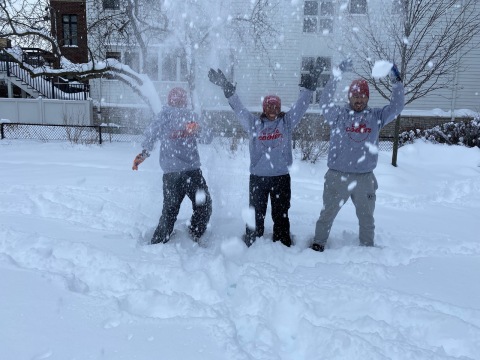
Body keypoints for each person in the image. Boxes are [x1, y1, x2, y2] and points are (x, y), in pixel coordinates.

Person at [208, 62, 322, 247]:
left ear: (279, 108)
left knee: (281, 212)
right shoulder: (254, 125)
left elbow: (301, 106)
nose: (272, 110)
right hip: (258, 177)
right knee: (255, 213)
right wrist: (227, 89)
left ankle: (283, 241)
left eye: (275, 107)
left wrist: (309, 87)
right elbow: (239, 109)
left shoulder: (286, 123)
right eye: (269, 107)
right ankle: (252, 240)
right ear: (264, 108)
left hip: (280, 177)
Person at [311, 59, 405, 252]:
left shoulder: (376, 117)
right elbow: (325, 101)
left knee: (367, 217)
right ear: (349, 97)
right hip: (338, 176)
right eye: (355, 95)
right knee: (327, 213)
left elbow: (396, 106)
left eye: (363, 95)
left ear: (367, 98)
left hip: (365, 177)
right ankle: (318, 243)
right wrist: (337, 75)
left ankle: (368, 247)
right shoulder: (338, 115)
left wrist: (397, 82)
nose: (359, 99)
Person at [132, 87, 213, 245]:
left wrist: (199, 130)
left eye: (180, 99)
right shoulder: (164, 116)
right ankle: (168, 239)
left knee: (184, 208)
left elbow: (207, 137)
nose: (178, 102)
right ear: (171, 100)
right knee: (185, 207)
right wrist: (141, 156)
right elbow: (151, 136)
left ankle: (188, 234)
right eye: (176, 99)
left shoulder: (189, 116)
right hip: (177, 173)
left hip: (189, 171)